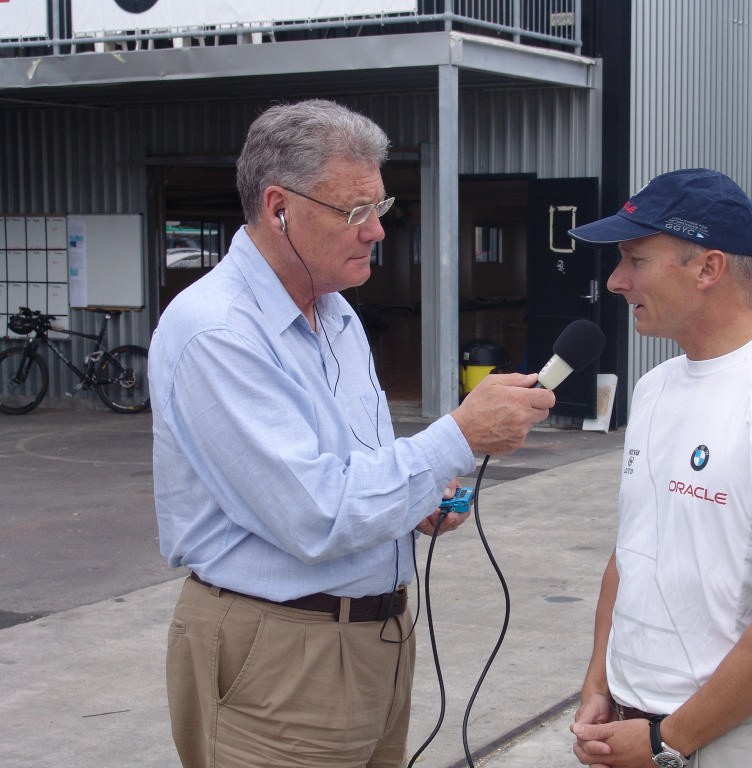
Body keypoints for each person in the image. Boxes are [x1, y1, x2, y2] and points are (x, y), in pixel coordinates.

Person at [149, 99, 555, 768]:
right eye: (354, 212)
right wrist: (457, 435)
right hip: (279, 653)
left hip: (374, 642)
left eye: (380, 207)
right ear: (279, 208)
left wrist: (416, 499)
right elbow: (317, 513)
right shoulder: (219, 334)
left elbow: (354, 469)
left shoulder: (335, 316)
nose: (377, 233)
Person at [566, 169, 752, 768]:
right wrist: (599, 682)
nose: (617, 282)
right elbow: (632, 555)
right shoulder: (654, 390)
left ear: (708, 268)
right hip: (629, 726)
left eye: (635, 259)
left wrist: (668, 742)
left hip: (734, 739)